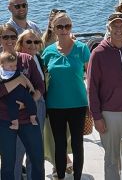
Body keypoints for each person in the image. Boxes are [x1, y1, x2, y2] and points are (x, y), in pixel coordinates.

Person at [87, 12, 122, 180]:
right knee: (112, 158)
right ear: (108, 28)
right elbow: (92, 87)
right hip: (109, 115)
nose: (118, 29)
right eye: (114, 26)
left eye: (121, 25)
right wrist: (97, 117)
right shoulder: (99, 53)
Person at [42, 12, 91, 180]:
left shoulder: (82, 48)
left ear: (71, 27)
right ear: (53, 28)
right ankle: (61, 176)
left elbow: (90, 77)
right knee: (59, 144)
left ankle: (77, 177)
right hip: (55, 105)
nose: (64, 30)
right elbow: (41, 77)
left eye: (67, 26)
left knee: (78, 143)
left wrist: (91, 103)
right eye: (60, 26)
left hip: (78, 103)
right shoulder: (48, 51)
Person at [0, 24, 45, 180]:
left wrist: (28, 103)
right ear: (0, 39)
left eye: (13, 36)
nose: (10, 40)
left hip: (28, 120)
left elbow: (40, 86)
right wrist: (19, 79)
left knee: (38, 161)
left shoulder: (26, 59)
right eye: (5, 37)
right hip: (5, 121)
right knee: (8, 165)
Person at [41, 9, 74, 176]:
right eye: (57, 23)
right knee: (53, 131)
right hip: (50, 90)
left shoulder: (71, 40)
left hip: (68, 93)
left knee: (66, 130)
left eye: (64, 24)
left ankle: (65, 157)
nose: (62, 27)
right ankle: (57, 162)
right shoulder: (42, 42)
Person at [0, 51, 37, 129]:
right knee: (12, 108)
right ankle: (15, 124)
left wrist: (31, 87)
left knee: (31, 102)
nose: (14, 68)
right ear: (2, 66)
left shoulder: (16, 72)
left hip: (23, 92)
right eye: (10, 66)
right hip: (11, 96)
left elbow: (25, 79)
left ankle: (33, 118)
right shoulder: (1, 74)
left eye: (15, 65)